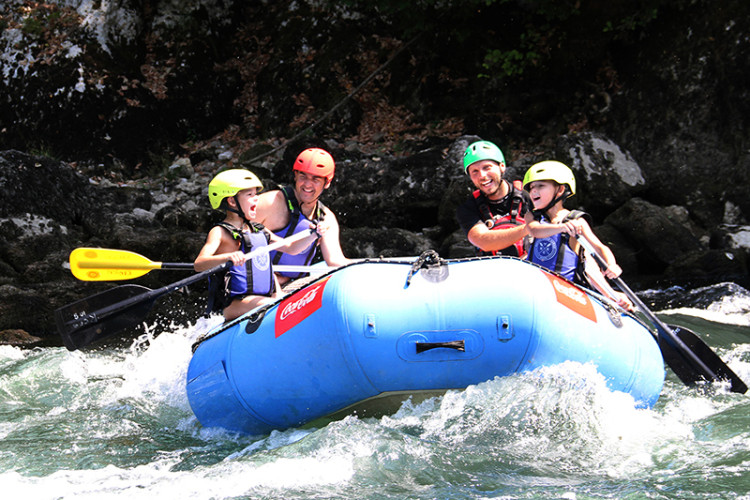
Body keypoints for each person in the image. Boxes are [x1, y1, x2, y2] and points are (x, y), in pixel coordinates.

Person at [194, 169, 321, 321]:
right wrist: (227, 257)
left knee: (290, 304)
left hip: (265, 295)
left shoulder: (257, 229)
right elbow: (199, 264)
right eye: (250, 195)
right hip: (235, 303)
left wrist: (313, 235)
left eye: (256, 194)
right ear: (232, 201)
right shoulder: (219, 232)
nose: (257, 199)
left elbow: (291, 248)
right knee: (280, 306)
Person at [522, 160, 633, 309]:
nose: (534, 191)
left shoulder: (576, 221)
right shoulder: (532, 217)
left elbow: (599, 248)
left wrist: (611, 264)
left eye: (541, 186)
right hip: (537, 288)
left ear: (560, 190)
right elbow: (535, 230)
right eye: (531, 187)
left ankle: (614, 298)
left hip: (566, 291)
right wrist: (562, 227)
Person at [255, 147, 351, 286]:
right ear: (295, 175)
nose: (307, 184)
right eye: (303, 176)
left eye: (315, 179)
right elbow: (235, 235)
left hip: (294, 286)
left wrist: (368, 265)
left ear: (327, 183)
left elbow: (335, 261)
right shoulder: (271, 202)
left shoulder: (326, 218)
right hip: (259, 281)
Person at [455, 140, 532, 257]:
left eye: (487, 167)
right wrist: (531, 228)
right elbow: (483, 241)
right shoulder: (468, 208)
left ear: (502, 166)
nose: (482, 176)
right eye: (475, 171)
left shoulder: (529, 195)